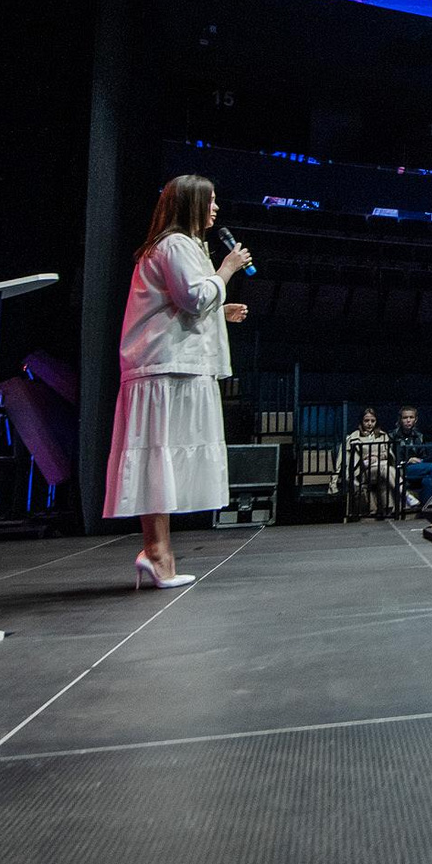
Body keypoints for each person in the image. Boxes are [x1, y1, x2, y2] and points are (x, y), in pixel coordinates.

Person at [105, 174, 249, 588]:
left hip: (174, 367)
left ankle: (159, 553)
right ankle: (156, 552)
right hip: (165, 371)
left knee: (162, 459)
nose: (216, 208)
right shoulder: (175, 245)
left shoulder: (181, 247)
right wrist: (228, 269)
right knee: (158, 458)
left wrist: (220, 312)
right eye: (211, 201)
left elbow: (178, 306)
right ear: (190, 205)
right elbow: (194, 297)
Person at [342, 407, 399, 521]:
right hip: (363, 472)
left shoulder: (383, 435)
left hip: (380, 468)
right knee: (385, 470)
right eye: (366, 421)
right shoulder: (353, 437)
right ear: (361, 421)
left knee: (384, 476)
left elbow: (388, 454)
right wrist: (365, 459)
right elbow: (350, 460)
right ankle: (403, 492)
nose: (369, 424)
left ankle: (388, 511)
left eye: (373, 421)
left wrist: (376, 456)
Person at [393, 406, 432, 511]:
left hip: (418, 467)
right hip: (401, 468)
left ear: (416, 419)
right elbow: (392, 457)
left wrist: (422, 460)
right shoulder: (393, 436)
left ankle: (427, 508)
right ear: (400, 419)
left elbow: (423, 455)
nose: (408, 420)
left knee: (428, 478)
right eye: (405, 417)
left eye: (411, 417)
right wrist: (408, 461)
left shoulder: (419, 436)